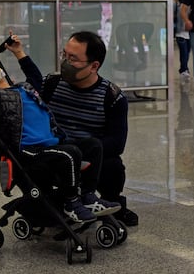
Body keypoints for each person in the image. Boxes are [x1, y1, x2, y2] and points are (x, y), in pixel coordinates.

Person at [0, 34, 120, 223]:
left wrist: (19, 53)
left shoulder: (24, 88)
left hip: (53, 142)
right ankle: (71, 203)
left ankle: (87, 196)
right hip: (31, 150)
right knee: (71, 153)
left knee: (93, 146)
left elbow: (35, 77)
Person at [40, 31, 139, 226]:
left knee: (113, 165)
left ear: (94, 66)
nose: (65, 63)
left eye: (73, 59)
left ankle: (113, 203)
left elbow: (117, 143)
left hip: (90, 155)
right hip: (54, 153)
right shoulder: (50, 85)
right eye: (64, 55)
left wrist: (82, 152)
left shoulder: (112, 97)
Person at [174, 0, 191, 80]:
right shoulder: (177, 5)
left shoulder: (192, 5)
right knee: (183, 52)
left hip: (189, 33)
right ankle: (184, 69)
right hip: (180, 32)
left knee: (187, 52)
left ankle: (184, 68)